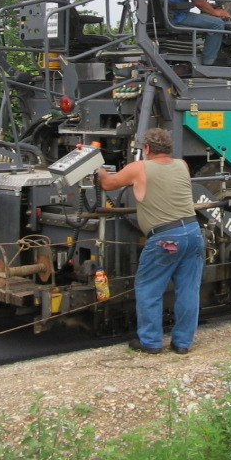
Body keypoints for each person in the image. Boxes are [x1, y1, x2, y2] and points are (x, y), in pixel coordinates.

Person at [97, 128, 203, 354]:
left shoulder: (139, 168)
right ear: (169, 148)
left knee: (149, 289)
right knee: (188, 290)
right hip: (193, 232)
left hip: (166, 238)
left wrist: (97, 168)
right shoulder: (182, 165)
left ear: (146, 148)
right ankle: (183, 343)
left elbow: (108, 184)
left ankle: (151, 342)